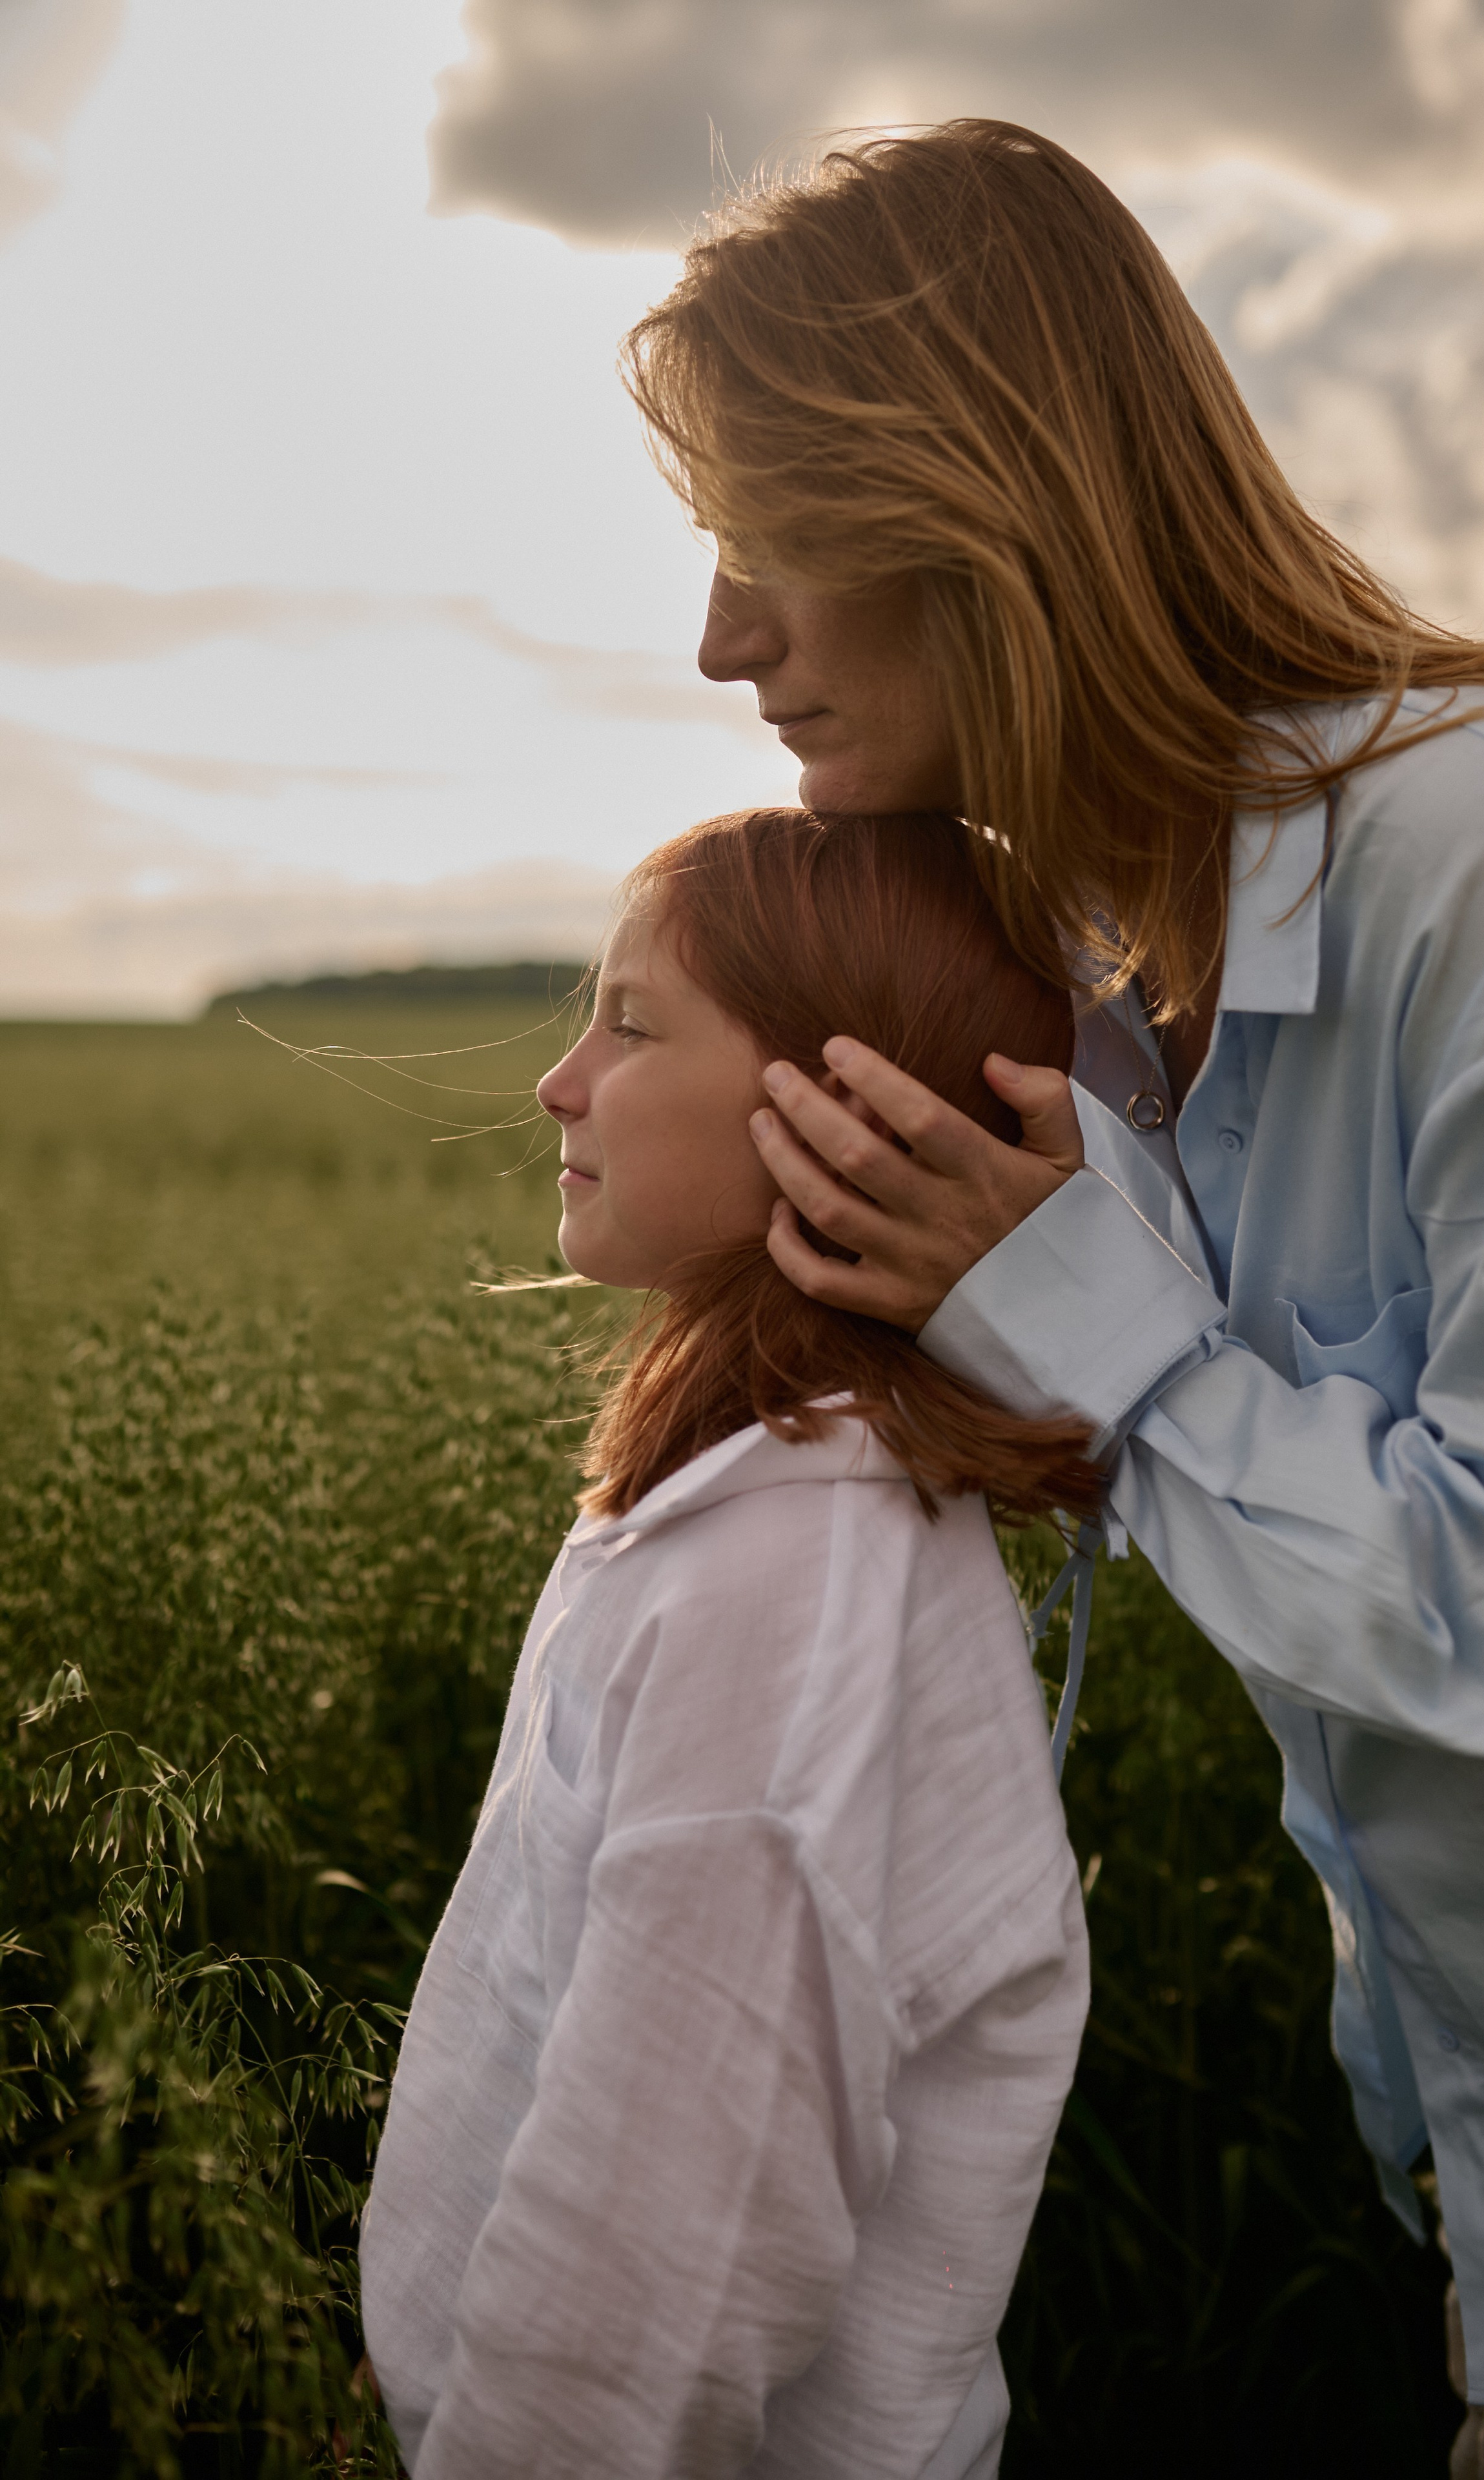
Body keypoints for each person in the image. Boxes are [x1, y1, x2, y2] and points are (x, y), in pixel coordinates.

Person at [622, 120, 1484, 2475]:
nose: (722, 639)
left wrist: (1082, 1320)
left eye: (767, 534)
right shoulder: (1101, 993)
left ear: (973, 493)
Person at [359, 808, 1097, 2479]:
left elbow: (649, 2299)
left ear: (843, 1114)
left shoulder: (794, 1579)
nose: (559, 1082)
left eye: (629, 1025)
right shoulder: (761, 1508)